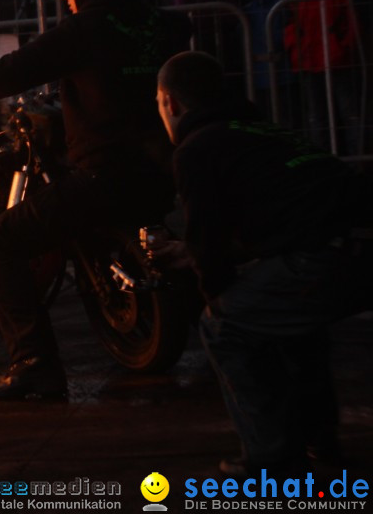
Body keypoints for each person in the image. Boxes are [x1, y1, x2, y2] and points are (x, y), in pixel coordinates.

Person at [0, 0, 188, 400]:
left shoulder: (86, 29)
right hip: (162, 174)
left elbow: (6, 72)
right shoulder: (161, 25)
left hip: (107, 176)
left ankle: (33, 363)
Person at [154, 50, 370, 476]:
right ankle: (320, 446)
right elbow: (289, 214)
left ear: (170, 103)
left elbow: (211, 254)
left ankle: (270, 457)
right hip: (356, 249)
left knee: (225, 324)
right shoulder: (265, 130)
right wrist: (197, 251)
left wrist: (209, 288)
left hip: (319, 261)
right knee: (291, 323)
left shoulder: (196, 149)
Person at [283, 0, 361, 154]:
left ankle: (358, 162)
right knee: (316, 116)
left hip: (339, 61)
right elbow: (290, 23)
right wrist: (295, 48)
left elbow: (352, 23)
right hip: (308, 60)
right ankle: (323, 161)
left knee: (350, 113)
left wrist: (344, 47)